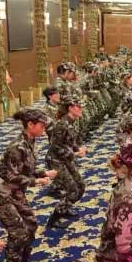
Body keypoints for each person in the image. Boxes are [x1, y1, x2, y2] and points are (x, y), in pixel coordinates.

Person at [0, 110, 57, 262]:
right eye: (41, 125)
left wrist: (43, 173)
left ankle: (23, 258)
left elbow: (26, 169)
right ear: (30, 125)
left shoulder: (30, 142)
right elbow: (7, 174)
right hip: (2, 194)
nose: (44, 129)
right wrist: (35, 181)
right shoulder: (17, 147)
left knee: (31, 224)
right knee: (18, 230)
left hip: (16, 191)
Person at [46, 96, 87, 229]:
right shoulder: (62, 124)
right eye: (78, 107)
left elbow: (70, 141)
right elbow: (55, 147)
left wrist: (77, 149)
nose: (81, 109)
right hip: (56, 160)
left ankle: (65, 207)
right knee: (73, 190)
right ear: (70, 108)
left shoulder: (72, 122)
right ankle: (54, 218)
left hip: (66, 158)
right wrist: (74, 153)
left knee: (80, 186)